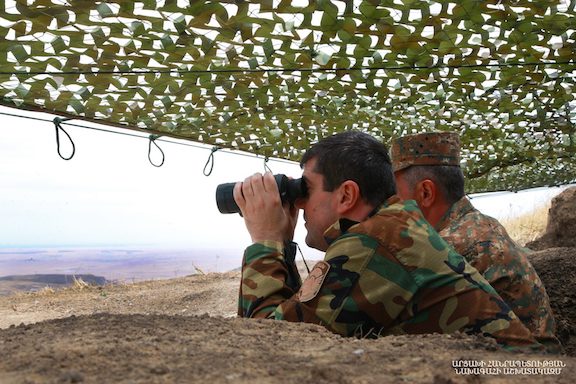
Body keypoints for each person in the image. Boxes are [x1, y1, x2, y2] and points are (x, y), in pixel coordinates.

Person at [233, 131, 541, 351]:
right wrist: (282, 245)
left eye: (306, 189)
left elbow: (266, 343)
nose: (299, 204)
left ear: (347, 195)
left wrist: (265, 239)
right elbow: (298, 313)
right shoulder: (388, 228)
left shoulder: (375, 243)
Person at [391, 131, 560, 352]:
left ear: (425, 192)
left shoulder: (451, 246)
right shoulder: (481, 224)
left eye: (396, 194)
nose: (394, 204)